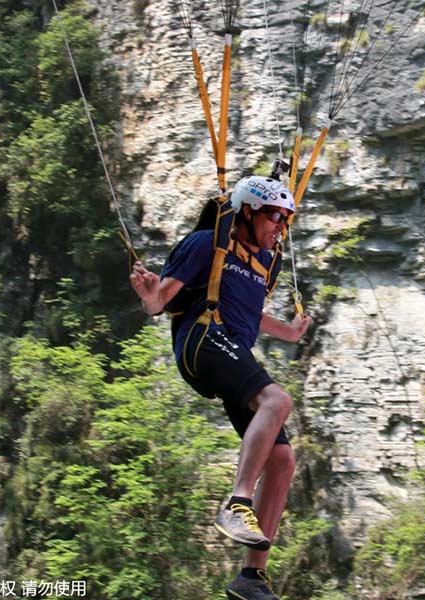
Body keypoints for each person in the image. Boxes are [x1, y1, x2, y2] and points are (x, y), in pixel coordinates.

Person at [130, 175, 313, 600]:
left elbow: (250, 314)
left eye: (285, 220)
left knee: (283, 460)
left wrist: (287, 332)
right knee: (277, 399)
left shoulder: (267, 262)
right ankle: (238, 502)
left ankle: (251, 578)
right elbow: (160, 301)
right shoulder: (208, 243)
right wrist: (148, 293)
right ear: (246, 212)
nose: (278, 227)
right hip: (203, 339)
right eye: (273, 216)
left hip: (233, 347)